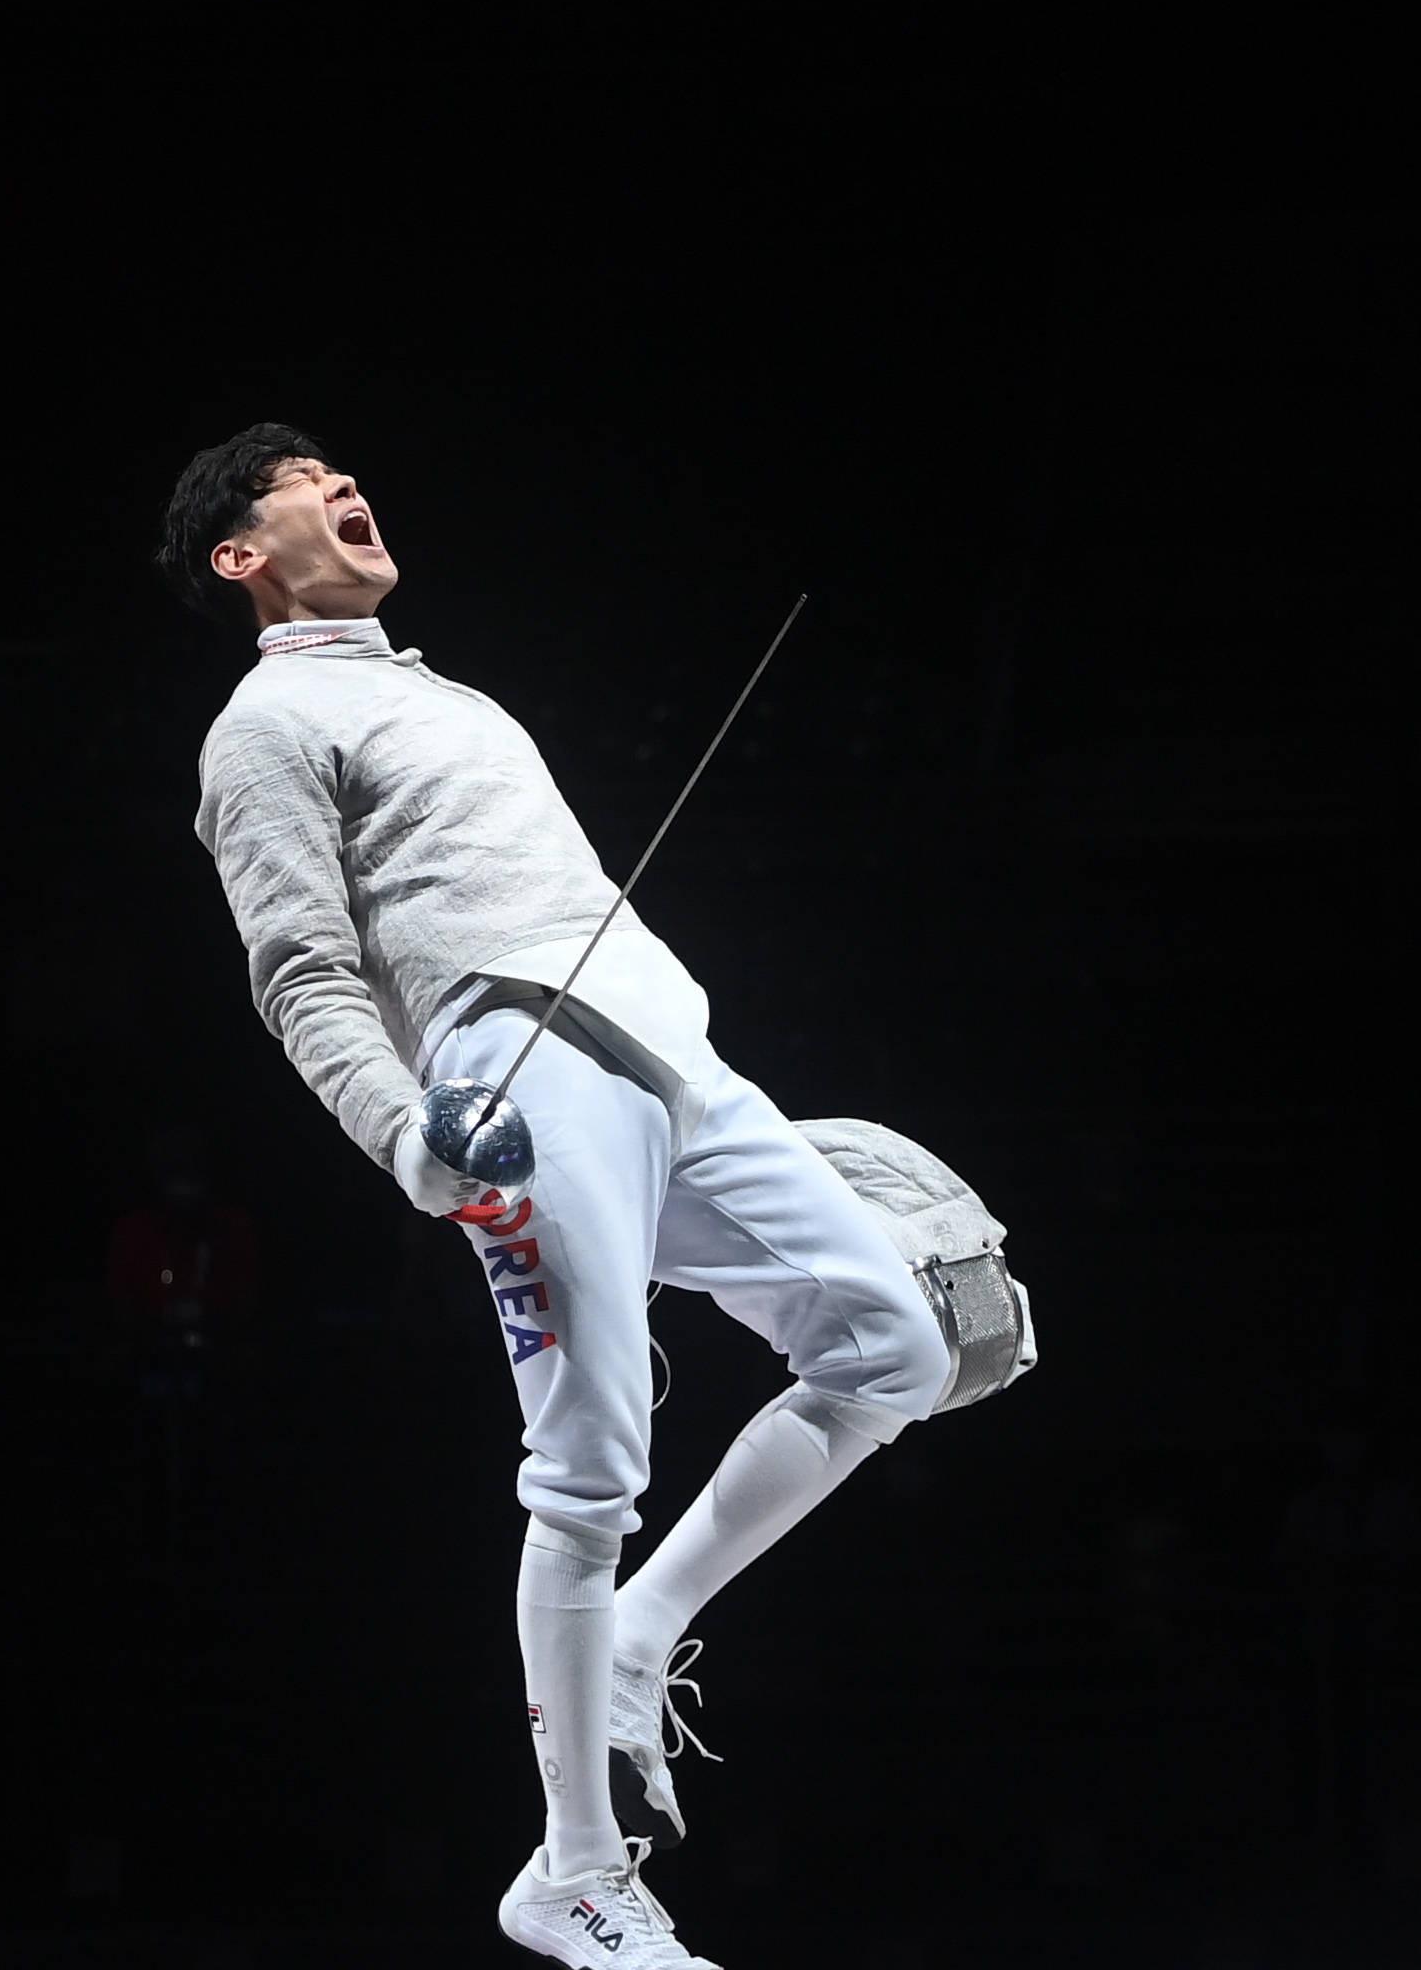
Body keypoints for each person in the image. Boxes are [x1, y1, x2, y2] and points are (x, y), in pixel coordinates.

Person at [167, 427, 953, 1970]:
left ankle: (643, 1635)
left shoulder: (444, 695)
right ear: (240, 555)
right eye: (300, 480)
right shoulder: (265, 725)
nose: (343, 484)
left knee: (899, 1345)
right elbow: (304, 973)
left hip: (674, 1061)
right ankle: (575, 1869)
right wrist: (413, 1137)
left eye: (345, 466)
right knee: (591, 1456)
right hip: (519, 1062)